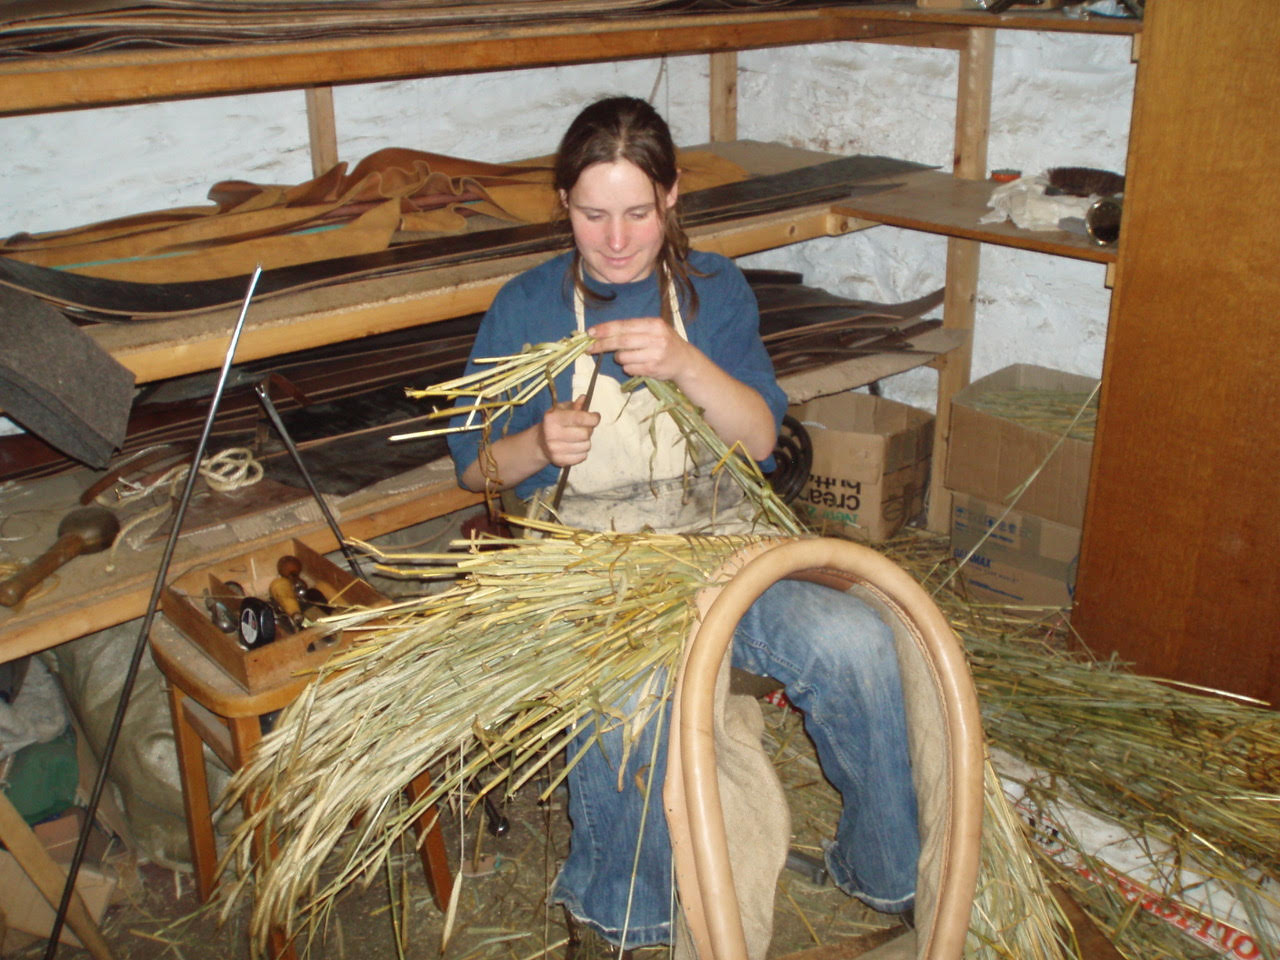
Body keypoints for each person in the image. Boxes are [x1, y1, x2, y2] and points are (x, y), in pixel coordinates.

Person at [447, 96, 918, 953]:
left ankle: (884, 871)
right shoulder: (525, 308)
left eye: (637, 212)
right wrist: (532, 444)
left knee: (856, 641)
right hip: (596, 561)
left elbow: (763, 439)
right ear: (563, 205)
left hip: (719, 543)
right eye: (593, 215)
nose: (617, 240)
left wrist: (688, 362)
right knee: (630, 699)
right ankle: (627, 919)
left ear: (670, 199)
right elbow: (473, 467)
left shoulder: (714, 293)